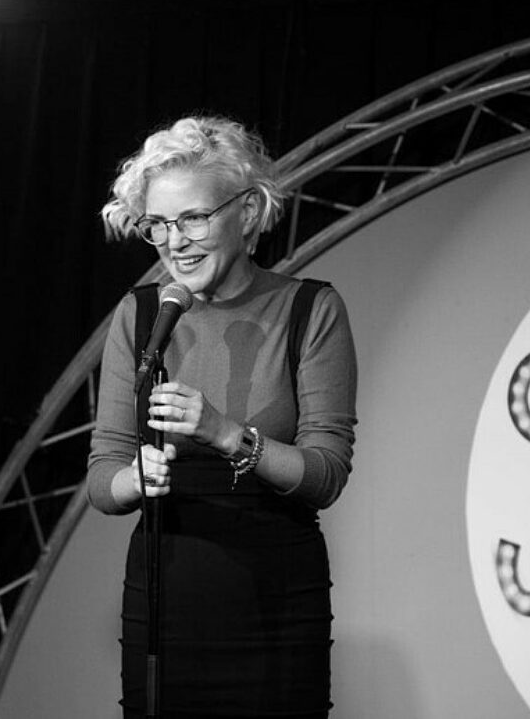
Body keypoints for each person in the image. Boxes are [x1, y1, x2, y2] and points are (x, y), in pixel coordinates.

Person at [87, 114, 358, 719]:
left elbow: (326, 475)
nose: (175, 242)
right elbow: (103, 473)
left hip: (277, 599)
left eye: (193, 219)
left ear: (247, 211)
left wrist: (226, 434)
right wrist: (134, 477)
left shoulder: (311, 309)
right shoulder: (138, 316)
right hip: (164, 602)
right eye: (157, 226)